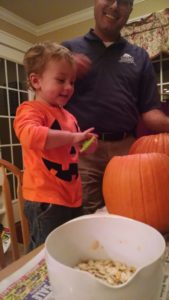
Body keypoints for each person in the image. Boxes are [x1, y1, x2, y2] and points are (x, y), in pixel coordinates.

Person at [62, 0, 169, 214]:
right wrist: (63, 69)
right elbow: (45, 95)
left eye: (123, 2)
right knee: (87, 217)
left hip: (128, 149)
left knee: (135, 211)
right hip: (83, 148)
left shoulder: (140, 57)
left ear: (130, 10)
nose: (114, 6)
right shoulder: (66, 50)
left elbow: (150, 113)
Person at [14, 42, 97, 251]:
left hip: (72, 196)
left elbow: (75, 150)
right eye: (61, 80)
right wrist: (72, 137)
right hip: (45, 199)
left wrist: (87, 144)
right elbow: (30, 136)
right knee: (45, 253)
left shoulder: (69, 116)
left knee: (71, 247)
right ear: (36, 81)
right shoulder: (30, 110)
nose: (68, 87)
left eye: (72, 81)